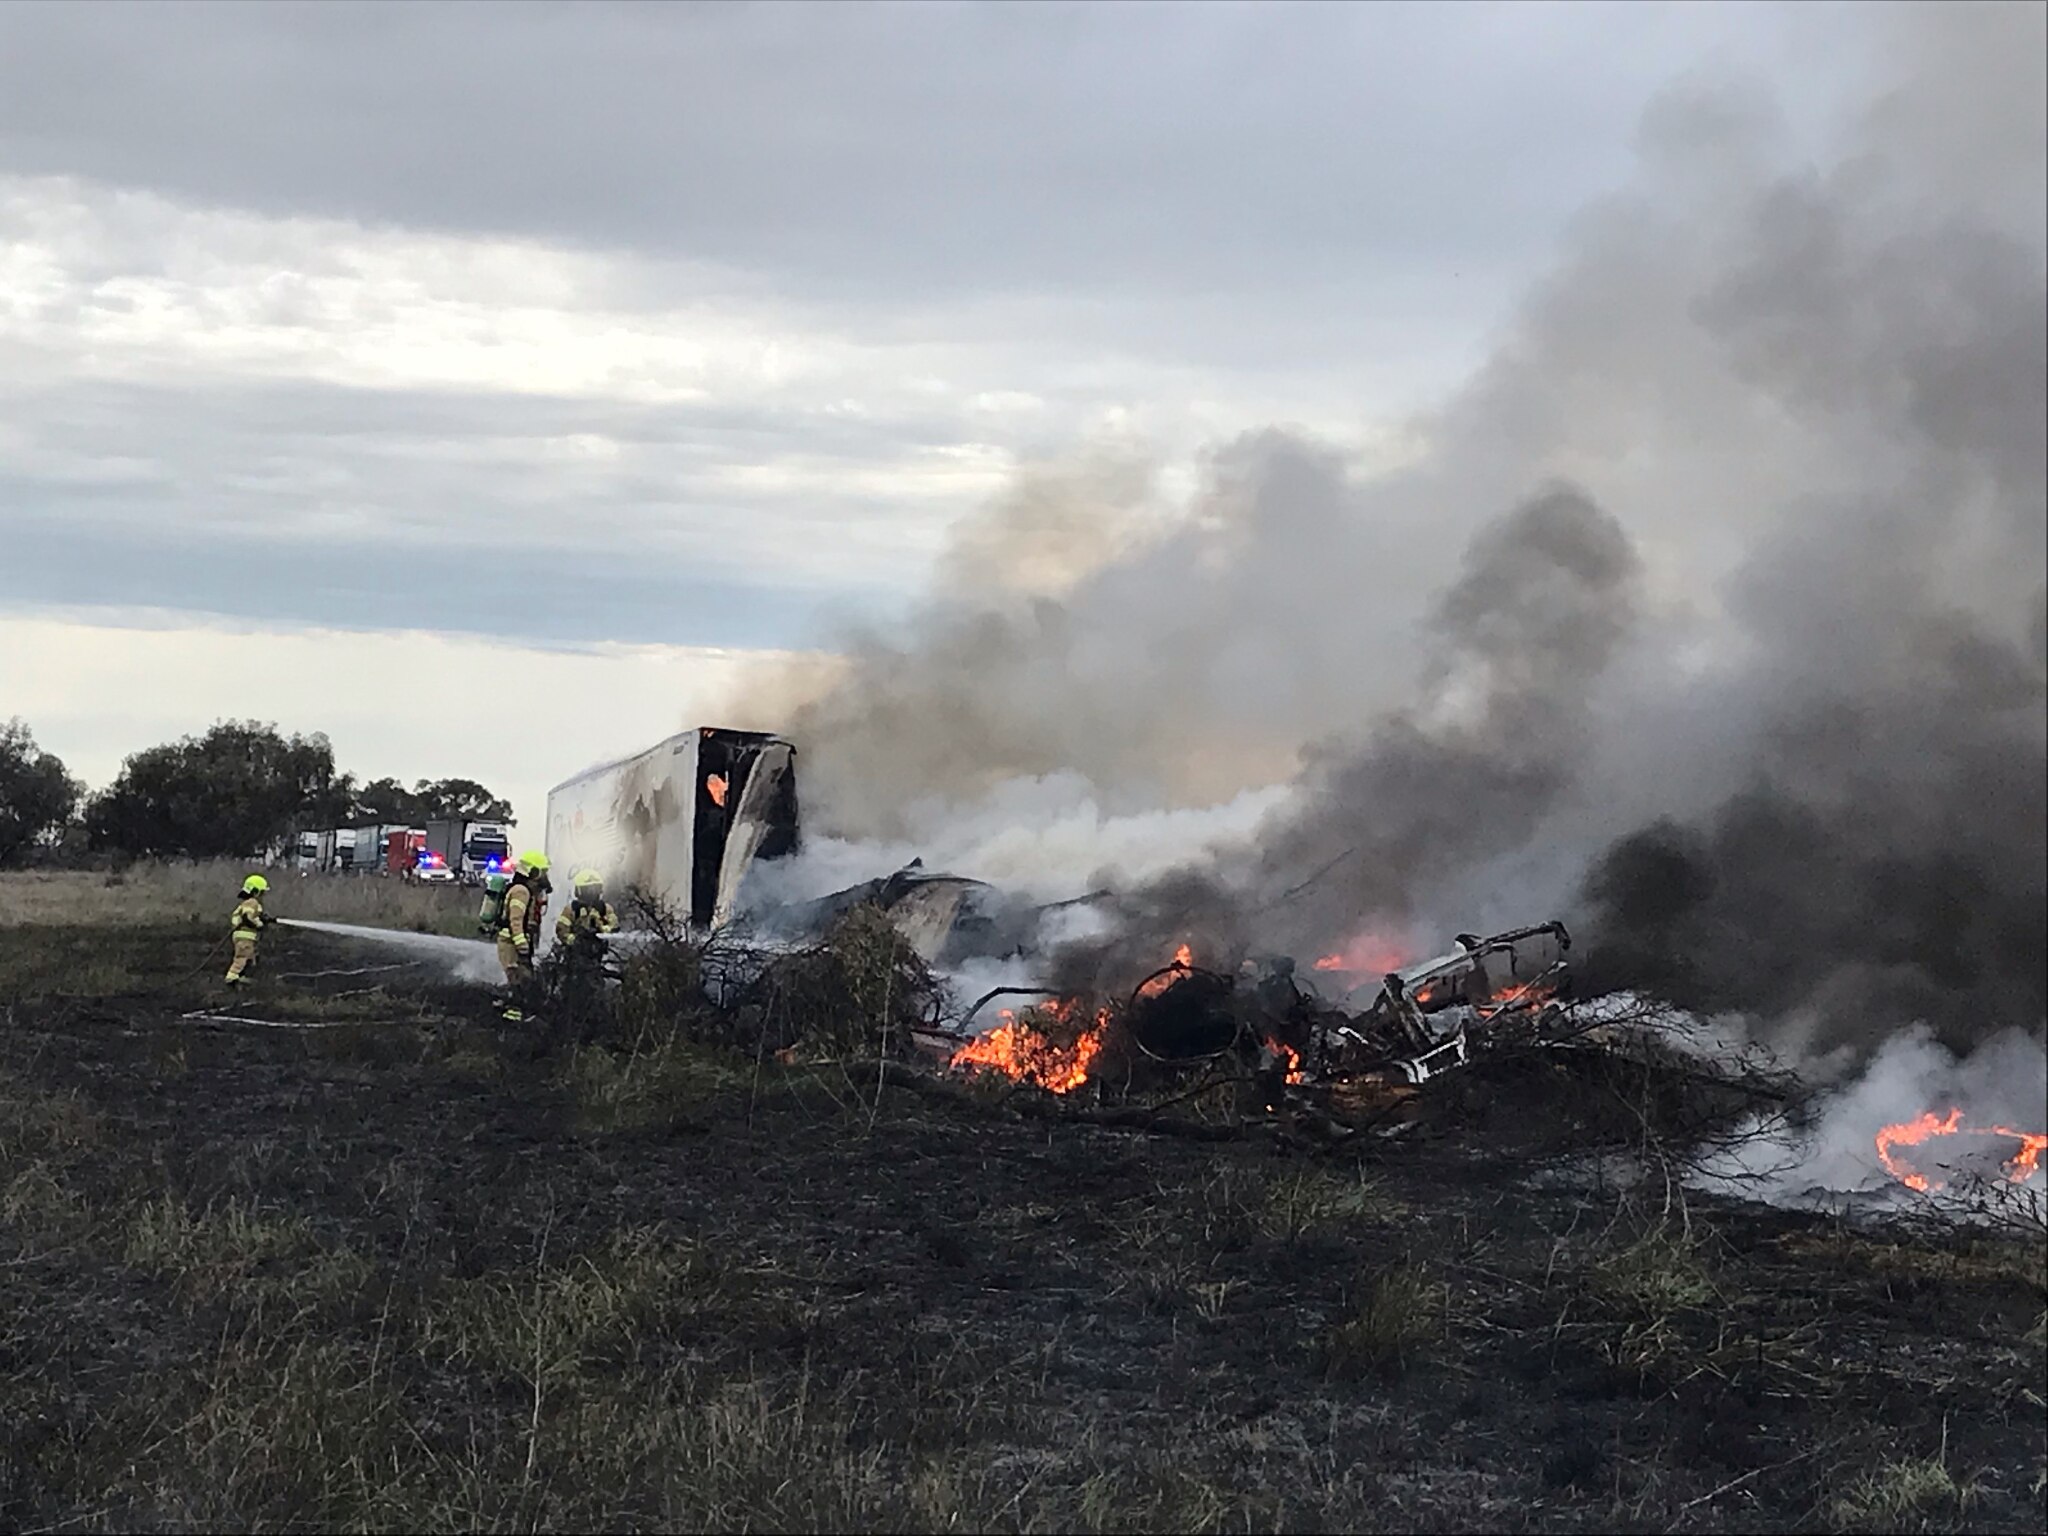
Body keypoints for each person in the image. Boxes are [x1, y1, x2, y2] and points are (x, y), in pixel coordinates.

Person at [496, 851, 552, 1021]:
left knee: (524, 979)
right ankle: (512, 1017)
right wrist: (521, 944)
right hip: (511, 943)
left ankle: (518, 1012)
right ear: (533, 872)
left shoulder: (525, 890)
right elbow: (516, 919)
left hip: (514, 942)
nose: (544, 877)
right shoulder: (521, 891)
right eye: (543, 872)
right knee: (518, 980)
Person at [554, 868, 620, 949]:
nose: (592, 893)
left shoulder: (605, 908)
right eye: (588, 890)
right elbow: (561, 930)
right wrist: (575, 940)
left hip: (599, 953)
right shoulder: (572, 909)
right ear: (579, 890)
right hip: (575, 954)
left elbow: (615, 926)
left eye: (595, 889)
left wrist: (604, 929)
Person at [225, 874, 270, 987]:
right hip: (245, 935)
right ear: (256, 892)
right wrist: (259, 924)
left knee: (249, 956)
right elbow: (247, 917)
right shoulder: (252, 902)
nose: (263, 896)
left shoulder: (248, 903)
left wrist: (262, 919)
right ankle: (232, 976)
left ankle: (241, 977)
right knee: (242, 956)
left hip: (244, 936)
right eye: (262, 893)